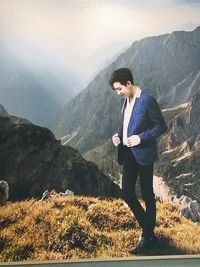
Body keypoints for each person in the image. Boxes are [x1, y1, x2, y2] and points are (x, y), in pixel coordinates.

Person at [109, 68, 167, 254]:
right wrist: (117, 137)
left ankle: (147, 237)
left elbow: (160, 126)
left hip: (143, 154)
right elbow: (126, 125)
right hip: (127, 153)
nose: (118, 93)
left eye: (119, 89)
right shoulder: (125, 101)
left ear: (129, 84)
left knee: (147, 193)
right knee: (126, 193)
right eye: (116, 90)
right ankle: (149, 231)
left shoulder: (147, 100)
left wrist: (141, 138)